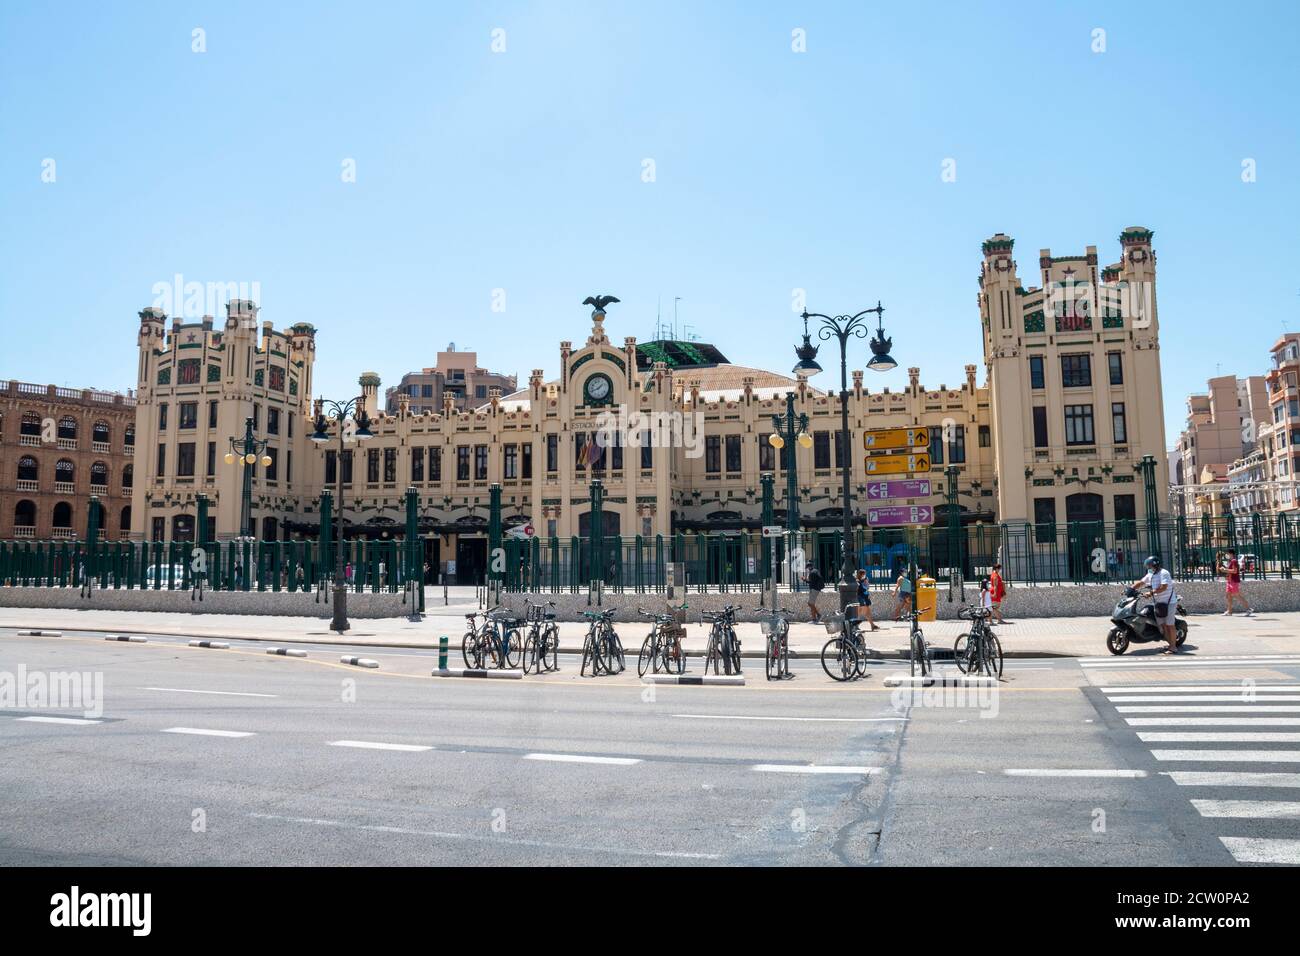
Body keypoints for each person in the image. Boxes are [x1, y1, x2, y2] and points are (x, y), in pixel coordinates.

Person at [1134, 555, 1179, 655]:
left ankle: (1173, 647)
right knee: (1162, 625)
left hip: (1169, 602)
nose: (1149, 568)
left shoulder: (1164, 573)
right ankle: (1170, 644)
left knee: (1169, 625)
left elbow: (1163, 587)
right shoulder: (1151, 574)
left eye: (1150, 566)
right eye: (1148, 566)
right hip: (1158, 603)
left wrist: (1151, 593)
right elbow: (1141, 582)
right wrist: (1131, 588)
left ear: (1155, 565)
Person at [1220, 549, 1254, 617]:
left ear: (1230, 554)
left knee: (1237, 595)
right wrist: (1225, 570)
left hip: (1233, 581)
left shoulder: (1234, 561)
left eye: (1227, 554)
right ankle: (1229, 611)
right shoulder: (1231, 561)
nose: (1226, 555)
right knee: (1228, 596)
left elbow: (1235, 571)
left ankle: (1249, 609)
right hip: (1229, 581)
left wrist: (1225, 570)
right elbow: (1231, 571)